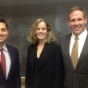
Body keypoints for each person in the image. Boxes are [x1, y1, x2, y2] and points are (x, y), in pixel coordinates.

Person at [25, 18, 64, 88]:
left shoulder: (55, 48)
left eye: (43, 29)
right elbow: (28, 72)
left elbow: (58, 75)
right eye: (38, 29)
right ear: (35, 31)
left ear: (48, 31)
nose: (40, 31)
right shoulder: (31, 48)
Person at [59, 6, 88, 88]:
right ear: (68, 23)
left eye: (79, 19)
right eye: (72, 20)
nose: (76, 23)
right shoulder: (62, 41)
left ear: (85, 20)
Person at [0, 17, 21, 88]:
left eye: (3, 30)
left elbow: (16, 76)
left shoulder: (14, 51)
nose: (0, 33)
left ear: (7, 32)